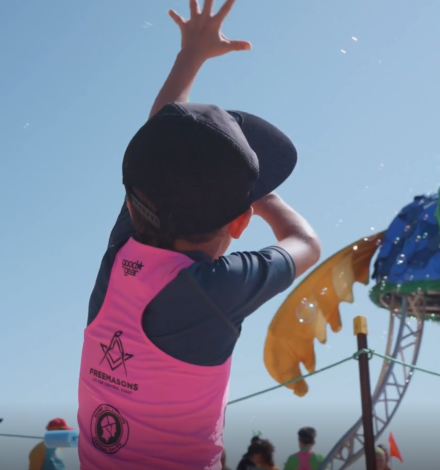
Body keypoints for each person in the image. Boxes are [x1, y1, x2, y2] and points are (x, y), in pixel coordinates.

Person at [77, 0, 320, 469]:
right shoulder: (213, 289)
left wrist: (189, 55)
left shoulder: (122, 253)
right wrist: (256, 192)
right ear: (239, 222)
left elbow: (157, 140)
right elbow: (308, 243)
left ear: (134, 198)